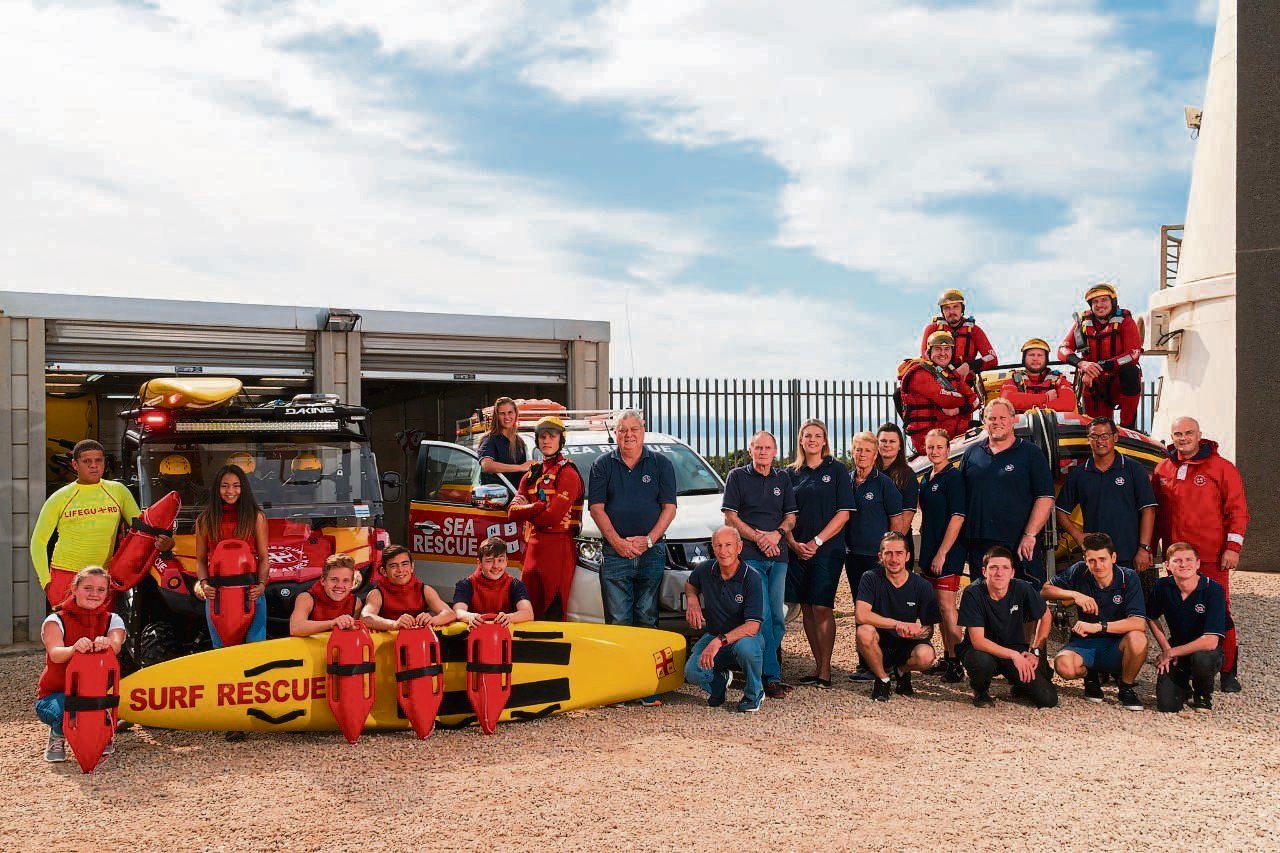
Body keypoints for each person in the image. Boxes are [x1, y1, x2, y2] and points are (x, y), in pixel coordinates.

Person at [1151, 417, 1249, 692]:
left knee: (1221, 612)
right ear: (1172, 437)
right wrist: (1149, 548)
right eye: (1178, 434)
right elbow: (1156, 514)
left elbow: (1238, 511)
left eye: (1188, 433)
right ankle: (1184, 662)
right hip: (1176, 560)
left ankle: (1227, 672)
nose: (1183, 438)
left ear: (1199, 435)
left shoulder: (1222, 468)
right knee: (1180, 610)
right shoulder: (1163, 469)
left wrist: (1233, 548)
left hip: (1210, 556)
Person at [587, 409, 676, 706]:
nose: (628, 435)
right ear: (615, 433)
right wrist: (618, 542)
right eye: (622, 430)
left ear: (643, 430)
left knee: (647, 618)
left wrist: (648, 540)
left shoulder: (661, 464)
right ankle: (619, 688)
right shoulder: (602, 465)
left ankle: (646, 686)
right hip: (615, 553)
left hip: (652, 552)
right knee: (618, 621)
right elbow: (596, 508)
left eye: (633, 429)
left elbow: (669, 508)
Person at [30, 439, 173, 607]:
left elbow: (143, 532)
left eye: (98, 460)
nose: (94, 466)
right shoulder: (60, 497)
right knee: (70, 625)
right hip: (66, 576)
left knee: (101, 625)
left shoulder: (118, 491)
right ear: (75, 464)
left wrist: (167, 543)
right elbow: (38, 541)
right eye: (87, 461)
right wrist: (46, 582)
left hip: (102, 578)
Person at [722, 431, 797, 700]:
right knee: (762, 615)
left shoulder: (783, 479)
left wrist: (776, 534)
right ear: (750, 450)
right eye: (758, 447)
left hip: (778, 556)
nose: (763, 452)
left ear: (775, 451)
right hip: (751, 556)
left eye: (767, 448)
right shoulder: (737, 477)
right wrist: (759, 538)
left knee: (778, 617)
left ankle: (758, 669)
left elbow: (791, 517)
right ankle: (770, 677)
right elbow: (730, 518)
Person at [784, 419, 856, 689]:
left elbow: (844, 513)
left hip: (827, 550)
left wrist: (816, 542)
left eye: (818, 435)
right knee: (806, 607)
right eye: (808, 435)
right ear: (801, 440)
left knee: (822, 607)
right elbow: (785, 513)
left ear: (825, 440)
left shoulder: (836, 470)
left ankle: (826, 671)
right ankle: (817, 667)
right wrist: (793, 543)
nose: (812, 440)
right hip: (797, 550)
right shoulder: (790, 473)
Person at [1042, 533, 1147, 710]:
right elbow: (1045, 591)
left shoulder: (1128, 577)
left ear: (1113, 558)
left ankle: (1126, 687)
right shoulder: (1079, 570)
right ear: (1085, 560)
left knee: (1138, 639)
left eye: (1102, 559)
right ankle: (1091, 675)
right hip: (1086, 642)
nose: (1098, 565)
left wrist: (1098, 627)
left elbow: (1138, 623)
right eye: (1092, 560)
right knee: (1063, 666)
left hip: (1117, 643)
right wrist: (1075, 595)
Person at [959, 398, 1055, 587]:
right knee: (984, 597)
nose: (997, 422)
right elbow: (959, 496)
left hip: (1019, 543)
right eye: (992, 418)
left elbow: (1045, 497)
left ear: (1013, 420)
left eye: (1002, 418)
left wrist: (1030, 534)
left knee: (1026, 597)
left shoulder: (1031, 453)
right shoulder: (971, 453)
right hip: (980, 544)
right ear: (984, 421)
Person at [1055, 417, 1158, 591]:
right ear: (1088, 439)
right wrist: (1077, 535)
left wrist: (1143, 548)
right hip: (1096, 557)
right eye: (1094, 436)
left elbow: (1148, 510)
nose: (1100, 441)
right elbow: (1060, 510)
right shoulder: (1080, 474)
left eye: (1105, 436)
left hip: (1129, 554)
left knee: (1130, 603)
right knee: (1099, 603)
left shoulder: (1133, 469)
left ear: (1115, 437)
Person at [36, 566, 125, 763]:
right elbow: (55, 654)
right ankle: (57, 735)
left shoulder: (113, 620)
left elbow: (116, 645)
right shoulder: (55, 620)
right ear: (74, 589)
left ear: (107, 593)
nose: (94, 594)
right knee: (68, 711)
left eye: (101, 590)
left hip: (94, 693)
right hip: (56, 693)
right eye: (88, 588)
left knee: (103, 710)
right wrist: (73, 649)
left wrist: (107, 643)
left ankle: (101, 732)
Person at [957, 547, 1057, 708]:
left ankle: (1019, 684)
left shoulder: (1022, 588)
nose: (999, 573)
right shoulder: (973, 593)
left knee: (1048, 699)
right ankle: (980, 691)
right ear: (984, 571)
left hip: (1014, 649)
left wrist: (1035, 651)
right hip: (983, 651)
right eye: (993, 568)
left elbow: (1045, 615)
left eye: (1005, 568)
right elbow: (978, 641)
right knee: (981, 661)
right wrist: (1013, 655)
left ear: (1012, 573)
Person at [508, 416, 584, 620]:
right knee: (527, 611)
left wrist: (527, 510)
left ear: (561, 440)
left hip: (558, 549)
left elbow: (552, 518)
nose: (547, 441)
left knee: (553, 613)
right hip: (532, 550)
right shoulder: (532, 473)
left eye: (552, 436)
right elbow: (512, 513)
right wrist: (538, 507)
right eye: (542, 437)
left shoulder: (568, 473)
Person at [683, 527, 766, 713]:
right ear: (712, 548)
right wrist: (692, 599)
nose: (723, 551)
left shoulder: (751, 577)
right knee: (692, 671)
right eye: (718, 546)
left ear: (739, 547)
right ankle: (719, 682)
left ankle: (754, 694)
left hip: (744, 637)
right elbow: (690, 584)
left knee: (748, 650)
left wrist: (718, 641)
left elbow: (753, 626)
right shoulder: (705, 569)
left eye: (728, 545)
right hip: (715, 634)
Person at [845, 431, 906, 681]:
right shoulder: (846, 481)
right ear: (852, 452)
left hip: (876, 558)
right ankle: (865, 663)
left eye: (867, 450)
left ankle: (885, 663)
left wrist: (890, 556)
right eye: (858, 449)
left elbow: (897, 522)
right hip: (852, 556)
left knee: (880, 609)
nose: (862, 455)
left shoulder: (884, 484)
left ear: (875, 454)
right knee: (860, 608)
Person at [854, 532, 940, 702]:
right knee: (864, 632)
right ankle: (882, 679)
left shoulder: (922, 585)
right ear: (880, 556)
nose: (894, 559)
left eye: (899, 553)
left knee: (926, 655)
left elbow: (929, 629)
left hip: (906, 644)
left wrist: (916, 632)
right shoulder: (870, 578)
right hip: (878, 643)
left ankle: (901, 671)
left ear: (907, 556)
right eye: (888, 553)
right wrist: (897, 624)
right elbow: (861, 615)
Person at [192, 465, 270, 648]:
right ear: (217, 489)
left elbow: (264, 558)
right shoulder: (205, 520)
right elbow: (201, 560)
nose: (230, 491)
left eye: (236, 486)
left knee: (255, 648)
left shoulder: (256, 517)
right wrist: (204, 585)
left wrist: (261, 585)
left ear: (243, 488)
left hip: (250, 593)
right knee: (221, 649)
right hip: (217, 595)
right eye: (224, 486)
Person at [1146, 543, 1228, 713]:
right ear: (1167, 565)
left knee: (1203, 659)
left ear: (1198, 563)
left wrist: (1171, 652)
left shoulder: (1213, 590)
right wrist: (1166, 648)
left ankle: (1202, 692)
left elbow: (1211, 641)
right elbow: (1151, 616)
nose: (1183, 564)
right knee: (1167, 706)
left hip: (1205, 650)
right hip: (1176, 646)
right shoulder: (1162, 586)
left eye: (1189, 560)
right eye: (1177, 561)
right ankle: (1183, 688)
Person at [1057, 282, 1143, 428]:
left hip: (1118, 382)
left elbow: (1134, 353)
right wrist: (1082, 364)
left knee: (1131, 372)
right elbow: (1062, 349)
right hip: (1094, 384)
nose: (1099, 305)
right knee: (1098, 428)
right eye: (1095, 301)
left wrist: (1106, 365)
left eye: (1104, 300)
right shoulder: (1083, 323)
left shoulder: (1125, 321)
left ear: (1112, 302)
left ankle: (1127, 427)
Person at [917, 428, 966, 681]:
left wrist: (942, 553)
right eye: (930, 447)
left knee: (947, 607)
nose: (934, 451)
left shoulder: (953, 477)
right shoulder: (926, 478)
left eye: (939, 447)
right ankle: (947, 657)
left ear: (948, 449)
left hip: (947, 551)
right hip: (929, 548)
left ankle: (957, 662)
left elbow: (958, 517)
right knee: (937, 607)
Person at [898, 330, 979, 456]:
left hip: (947, 428)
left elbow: (976, 400)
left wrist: (958, 409)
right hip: (927, 437)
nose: (943, 353)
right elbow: (946, 400)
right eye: (938, 349)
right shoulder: (920, 373)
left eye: (947, 349)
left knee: (982, 430)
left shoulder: (951, 373)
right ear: (929, 352)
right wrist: (963, 400)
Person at [361, 544, 456, 631]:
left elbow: (450, 613)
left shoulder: (425, 590)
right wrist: (394, 625)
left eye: (404, 564)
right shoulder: (376, 593)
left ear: (412, 567)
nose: (400, 570)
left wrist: (432, 620)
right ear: (384, 571)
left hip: (420, 641)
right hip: (389, 643)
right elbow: (365, 617)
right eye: (393, 566)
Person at [919, 288, 998, 385]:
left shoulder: (974, 330)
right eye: (947, 308)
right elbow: (925, 357)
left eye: (955, 307)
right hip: (938, 382)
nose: (951, 312)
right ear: (942, 311)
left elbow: (992, 358)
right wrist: (947, 371)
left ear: (962, 309)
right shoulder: (932, 329)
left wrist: (969, 365)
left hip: (966, 383)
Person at [453, 536, 534, 627]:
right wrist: (470, 617)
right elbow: (458, 611)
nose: (496, 566)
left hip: (505, 633)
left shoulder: (515, 585)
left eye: (500, 560)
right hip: (475, 633)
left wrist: (509, 617)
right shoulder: (466, 584)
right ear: (479, 563)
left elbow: (528, 613)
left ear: (506, 561)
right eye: (489, 561)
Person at [876, 423, 919, 571]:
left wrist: (889, 551)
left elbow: (906, 520)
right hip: (869, 547)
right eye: (883, 441)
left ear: (900, 445)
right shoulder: (869, 472)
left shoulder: (908, 476)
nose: (887, 445)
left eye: (892, 441)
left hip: (895, 549)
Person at [999, 338, 1077, 414]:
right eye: (1031, 355)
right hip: (1021, 422)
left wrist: (1028, 405)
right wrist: (1045, 398)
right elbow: (1007, 400)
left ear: (1046, 359)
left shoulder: (1058, 379)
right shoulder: (1014, 380)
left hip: (1054, 422)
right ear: (1024, 358)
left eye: (1040, 355)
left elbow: (1068, 404)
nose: (1035, 359)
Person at [290, 554, 362, 637]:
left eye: (346, 580)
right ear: (323, 580)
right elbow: (295, 628)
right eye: (334, 579)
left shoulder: (355, 603)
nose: (339, 585)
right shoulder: (306, 598)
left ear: (351, 584)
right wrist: (333, 623)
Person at [477, 396, 531, 487]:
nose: (507, 417)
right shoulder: (490, 439)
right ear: (496, 416)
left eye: (510, 412)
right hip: (497, 495)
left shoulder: (519, 442)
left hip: (517, 494)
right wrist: (520, 467)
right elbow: (487, 465)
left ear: (515, 414)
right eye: (502, 413)